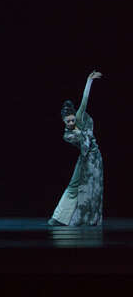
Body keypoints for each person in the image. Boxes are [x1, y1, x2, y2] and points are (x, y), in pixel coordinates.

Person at [48, 70, 103, 226]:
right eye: (68, 122)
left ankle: (89, 219)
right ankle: (59, 217)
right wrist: (82, 133)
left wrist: (89, 81)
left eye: (72, 120)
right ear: (64, 122)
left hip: (95, 158)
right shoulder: (67, 135)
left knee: (93, 188)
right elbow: (81, 140)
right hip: (85, 158)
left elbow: (85, 100)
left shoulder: (79, 118)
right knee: (74, 185)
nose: (71, 123)